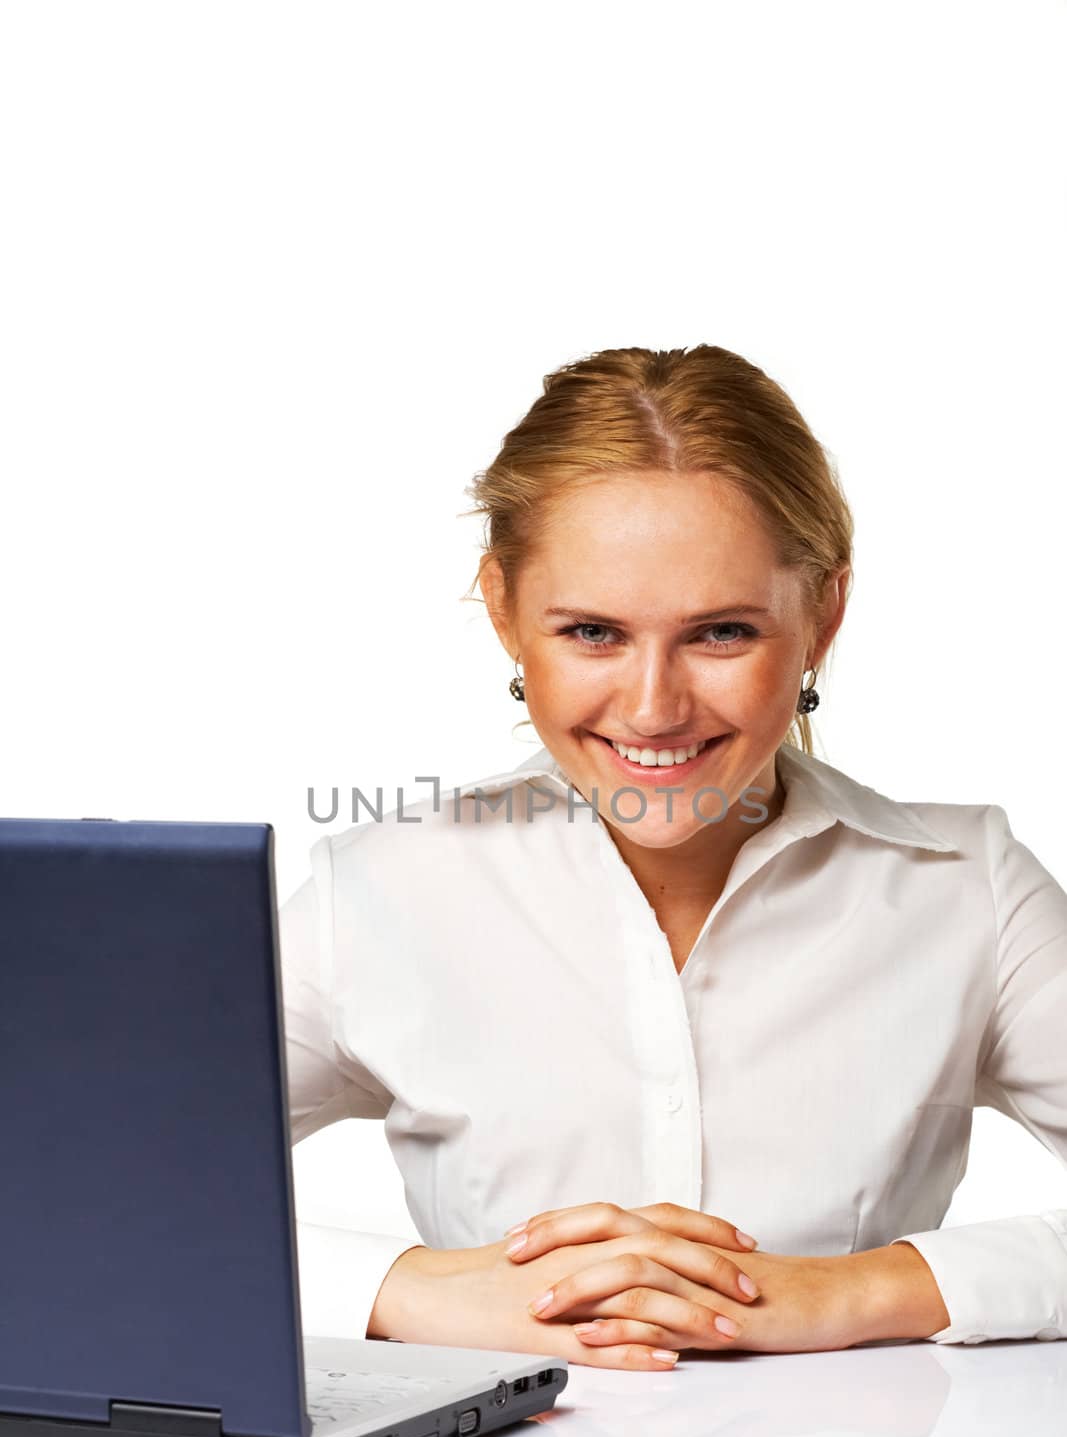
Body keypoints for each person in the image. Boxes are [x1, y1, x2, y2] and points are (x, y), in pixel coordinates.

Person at [280, 344, 1067, 1371]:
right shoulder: (376, 890)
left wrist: (856, 1289)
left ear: (820, 616)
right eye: (593, 631)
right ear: (505, 611)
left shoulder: (966, 888)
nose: (652, 708)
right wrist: (412, 1290)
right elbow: (70, 1195)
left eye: (721, 632)